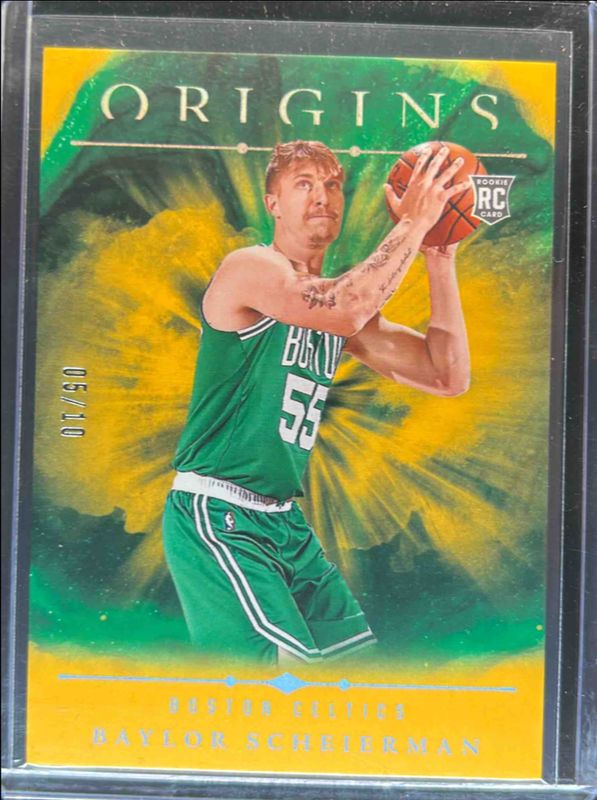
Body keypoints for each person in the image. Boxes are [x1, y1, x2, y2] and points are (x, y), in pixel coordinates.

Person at [162, 140, 470, 666]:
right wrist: (414, 222)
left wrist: (439, 255)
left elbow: (447, 375)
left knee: (357, 672)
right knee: (280, 687)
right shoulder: (251, 268)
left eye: (331, 185)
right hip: (218, 512)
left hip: (284, 521)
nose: (321, 196)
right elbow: (345, 307)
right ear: (273, 204)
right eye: (303, 184)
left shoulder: (333, 304)